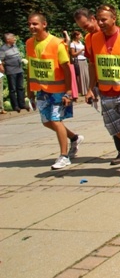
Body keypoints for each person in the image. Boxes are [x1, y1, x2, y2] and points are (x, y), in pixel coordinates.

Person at [73, 8, 120, 166]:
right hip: (105, 86)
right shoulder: (90, 39)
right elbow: (93, 64)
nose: (87, 29)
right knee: (113, 123)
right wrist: (90, 88)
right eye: (82, 28)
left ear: (93, 19)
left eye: (87, 25)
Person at [25, 13, 84, 169]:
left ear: (44, 24)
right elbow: (30, 67)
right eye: (30, 24)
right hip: (42, 90)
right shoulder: (29, 43)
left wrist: (69, 91)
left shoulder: (57, 44)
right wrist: (29, 89)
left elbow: (66, 69)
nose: (32, 27)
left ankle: (64, 156)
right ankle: (74, 138)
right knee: (47, 122)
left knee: (56, 120)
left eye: (35, 24)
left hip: (58, 90)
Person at [0, 33, 28, 112]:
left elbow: (17, 56)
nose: (14, 39)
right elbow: (1, 60)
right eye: (13, 38)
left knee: (20, 87)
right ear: (8, 40)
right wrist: (4, 66)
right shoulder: (3, 49)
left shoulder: (14, 46)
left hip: (19, 69)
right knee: (12, 89)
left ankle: (22, 104)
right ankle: (15, 106)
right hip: (11, 71)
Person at [69, 31, 90, 95]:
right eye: (80, 35)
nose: (81, 36)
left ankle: (88, 89)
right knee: (81, 76)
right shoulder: (72, 44)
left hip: (84, 59)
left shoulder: (80, 42)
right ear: (76, 36)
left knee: (86, 75)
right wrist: (81, 50)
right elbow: (73, 54)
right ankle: (83, 91)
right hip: (79, 61)